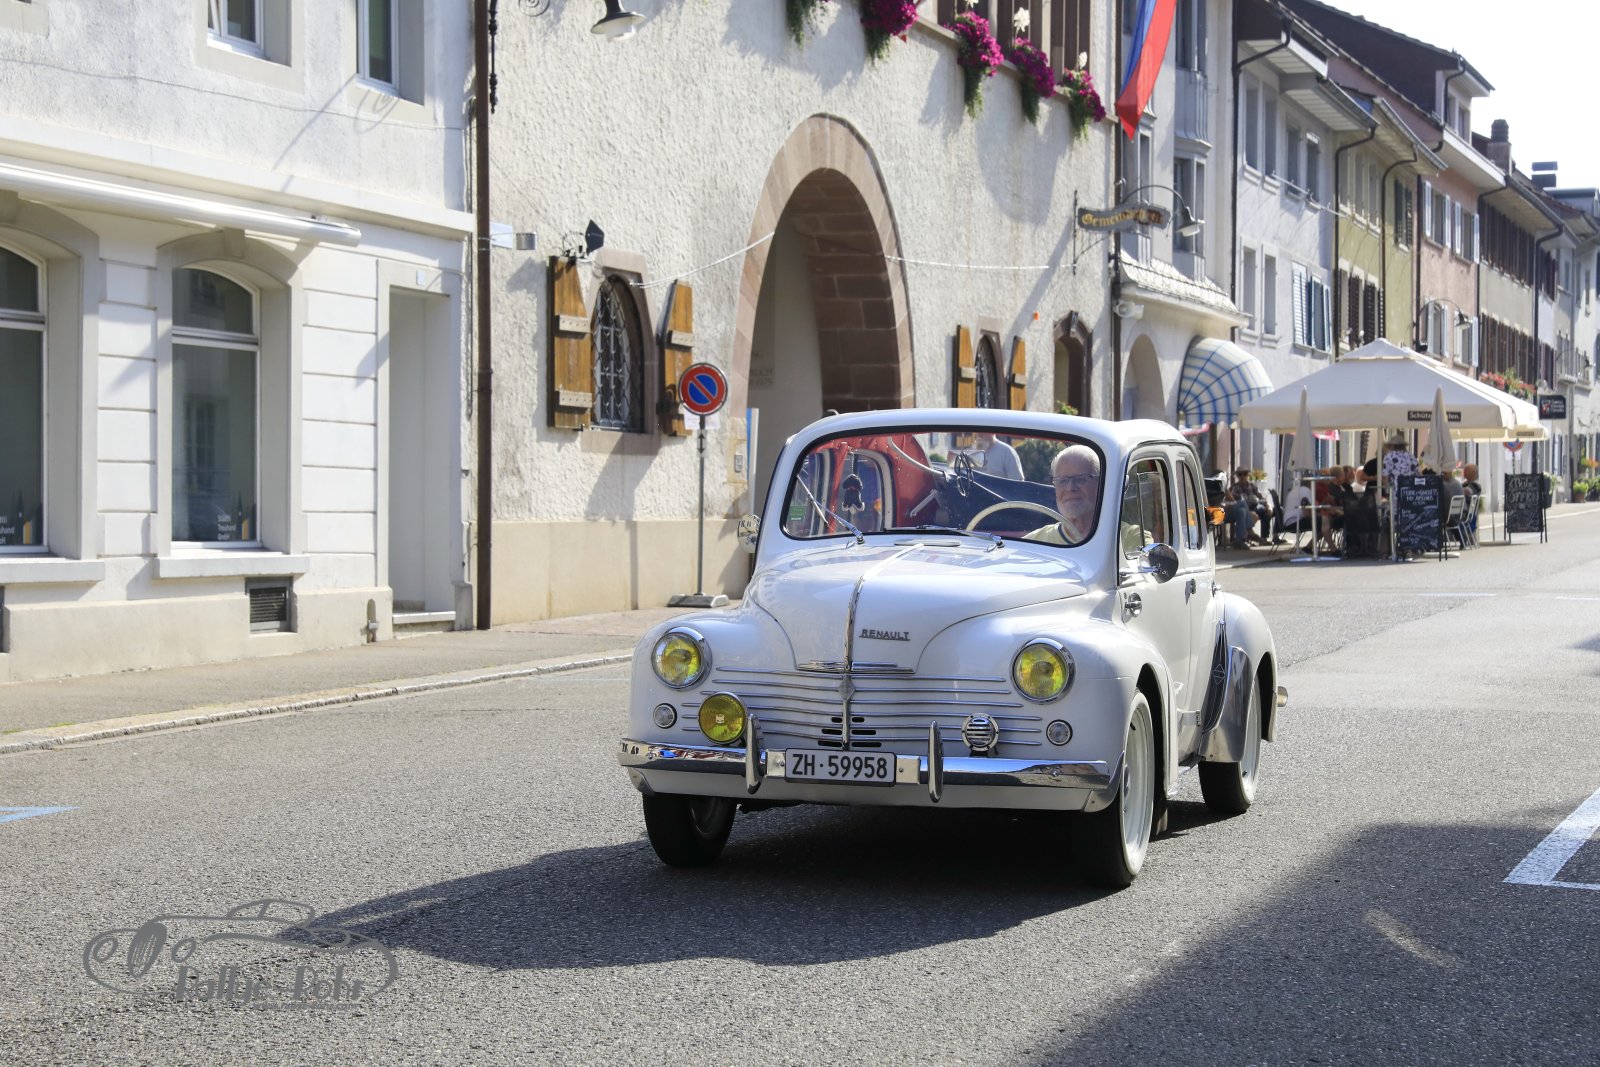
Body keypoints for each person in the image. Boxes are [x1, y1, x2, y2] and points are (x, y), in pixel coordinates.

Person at [1024, 444, 1100, 545]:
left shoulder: (1119, 538)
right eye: (1062, 481)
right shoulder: (1034, 543)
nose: (1070, 488)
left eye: (1080, 479)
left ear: (1100, 484)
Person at [1223, 468, 1274, 548]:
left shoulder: (1252, 486)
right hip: (1242, 509)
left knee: (1266, 511)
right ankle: (1250, 532)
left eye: (1245, 474)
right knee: (1243, 507)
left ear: (1248, 475)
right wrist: (1226, 491)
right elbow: (1232, 501)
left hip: (1254, 507)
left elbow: (1261, 497)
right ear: (1237, 476)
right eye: (1240, 474)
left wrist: (1268, 506)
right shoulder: (1234, 487)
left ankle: (1263, 537)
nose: (1242, 476)